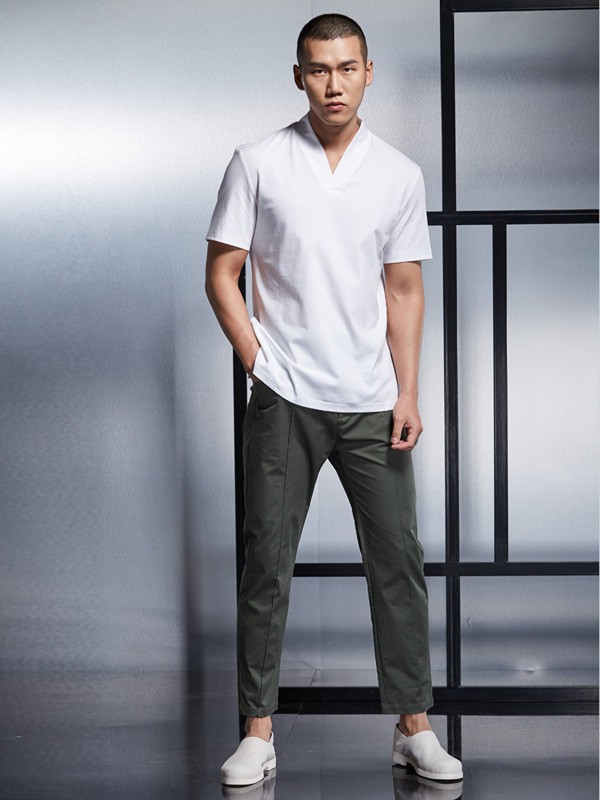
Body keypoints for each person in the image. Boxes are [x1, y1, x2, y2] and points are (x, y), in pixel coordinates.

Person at [205, 13, 463, 788]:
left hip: (372, 400)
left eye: (347, 67)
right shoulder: (257, 162)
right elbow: (222, 274)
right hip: (285, 396)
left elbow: (405, 289)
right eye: (319, 69)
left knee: (397, 564)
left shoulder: (399, 175)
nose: (334, 83)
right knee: (266, 563)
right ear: (299, 76)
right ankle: (257, 731)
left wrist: (408, 390)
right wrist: (258, 359)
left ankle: (414, 728)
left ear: (368, 72)